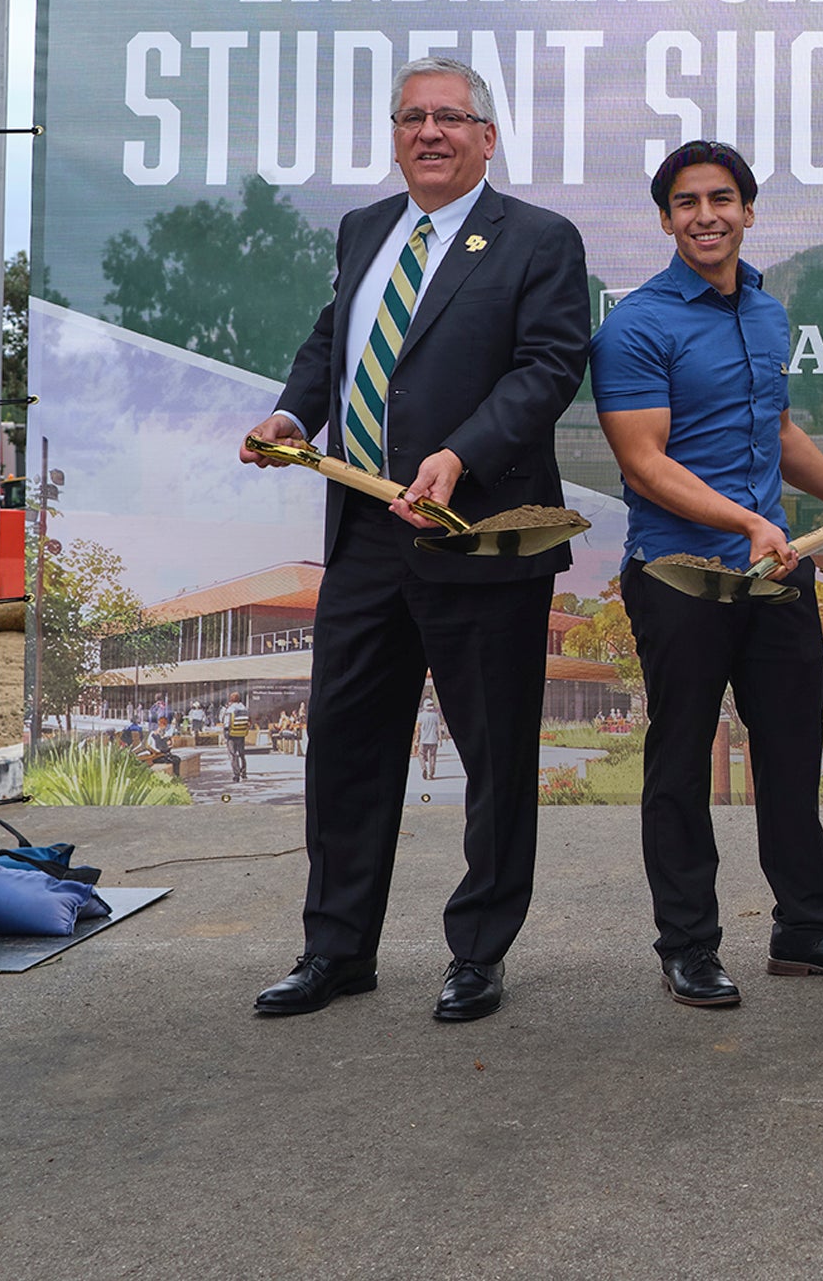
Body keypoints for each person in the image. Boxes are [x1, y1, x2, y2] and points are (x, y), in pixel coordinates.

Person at [239, 54, 589, 1023]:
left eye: (449, 117)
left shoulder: (538, 241)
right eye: (411, 118)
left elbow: (550, 368)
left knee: (493, 754)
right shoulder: (362, 232)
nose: (428, 133)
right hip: (361, 536)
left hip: (477, 536)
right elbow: (333, 342)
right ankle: (336, 950)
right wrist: (290, 416)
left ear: (486, 137)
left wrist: (459, 456)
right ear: (394, 135)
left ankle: (477, 951)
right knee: (345, 746)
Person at [591, 140, 823, 1008]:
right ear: (664, 220)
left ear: (748, 210)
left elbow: (774, 430)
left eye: (720, 198)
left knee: (792, 752)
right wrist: (744, 519)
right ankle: (687, 945)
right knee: (681, 762)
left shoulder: (765, 312)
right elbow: (644, 462)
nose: (705, 215)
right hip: (679, 574)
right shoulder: (636, 325)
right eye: (685, 202)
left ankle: (805, 930)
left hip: (776, 573)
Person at [218, 691, 251, 783]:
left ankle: (236, 775)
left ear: (230, 699)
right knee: (241, 754)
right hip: (241, 733)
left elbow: (225, 722)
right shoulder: (244, 708)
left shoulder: (230, 709)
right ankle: (244, 772)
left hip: (231, 734)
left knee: (233, 754)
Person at [416, 686, 442, 782]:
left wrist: (417, 739)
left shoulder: (421, 715)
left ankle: (423, 768)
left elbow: (418, 728)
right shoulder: (436, 716)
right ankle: (431, 774)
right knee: (432, 757)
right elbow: (438, 728)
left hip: (424, 740)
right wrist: (440, 739)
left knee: (421, 754)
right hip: (433, 740)